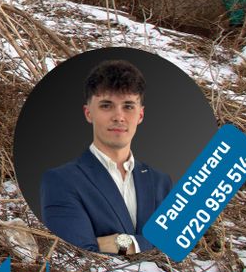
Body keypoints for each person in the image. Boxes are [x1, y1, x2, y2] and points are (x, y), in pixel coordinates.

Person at [40, 59, 174, 255]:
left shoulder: (160, 182)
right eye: (106, 106)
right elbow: (77, 253)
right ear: (88, 113)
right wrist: (148, 244)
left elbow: (174, 248)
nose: (118, 117)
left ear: (141, 115)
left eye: (128, 106)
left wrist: (126, 244)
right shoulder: (61, 181)